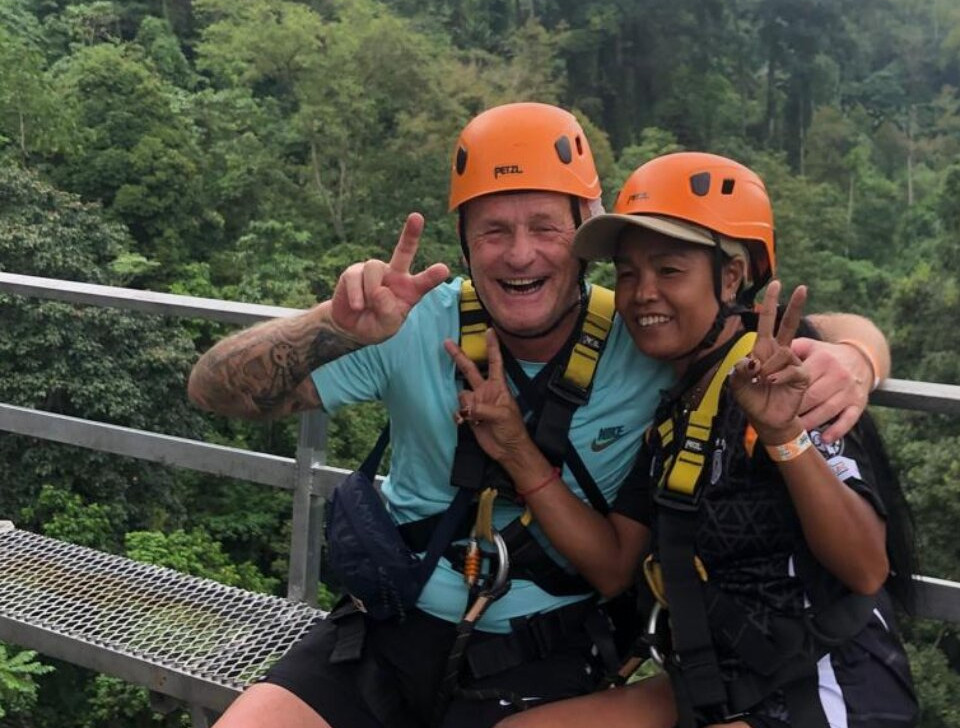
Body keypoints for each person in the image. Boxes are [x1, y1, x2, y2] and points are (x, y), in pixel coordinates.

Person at [187, 105, 891, 728]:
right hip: (390, 623)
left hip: (550, 644)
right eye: (494, 230)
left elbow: (755, 324)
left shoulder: (644, 334)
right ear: (465, 243)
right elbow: (214, 389)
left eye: (545, 227)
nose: (520, 253)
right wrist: (332, 327)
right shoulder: (409, 323)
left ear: (583, 236)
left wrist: (856, 356)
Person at [444, 152, 917, 728]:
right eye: (627, 274)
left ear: (731, 277)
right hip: (717, 680)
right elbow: (614, 563)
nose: (643, 293)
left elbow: (866, 568)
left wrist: (786, 433)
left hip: (822, 683)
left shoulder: (782, 379)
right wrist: (516, 449)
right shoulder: (675, 406)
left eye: (669, 271)